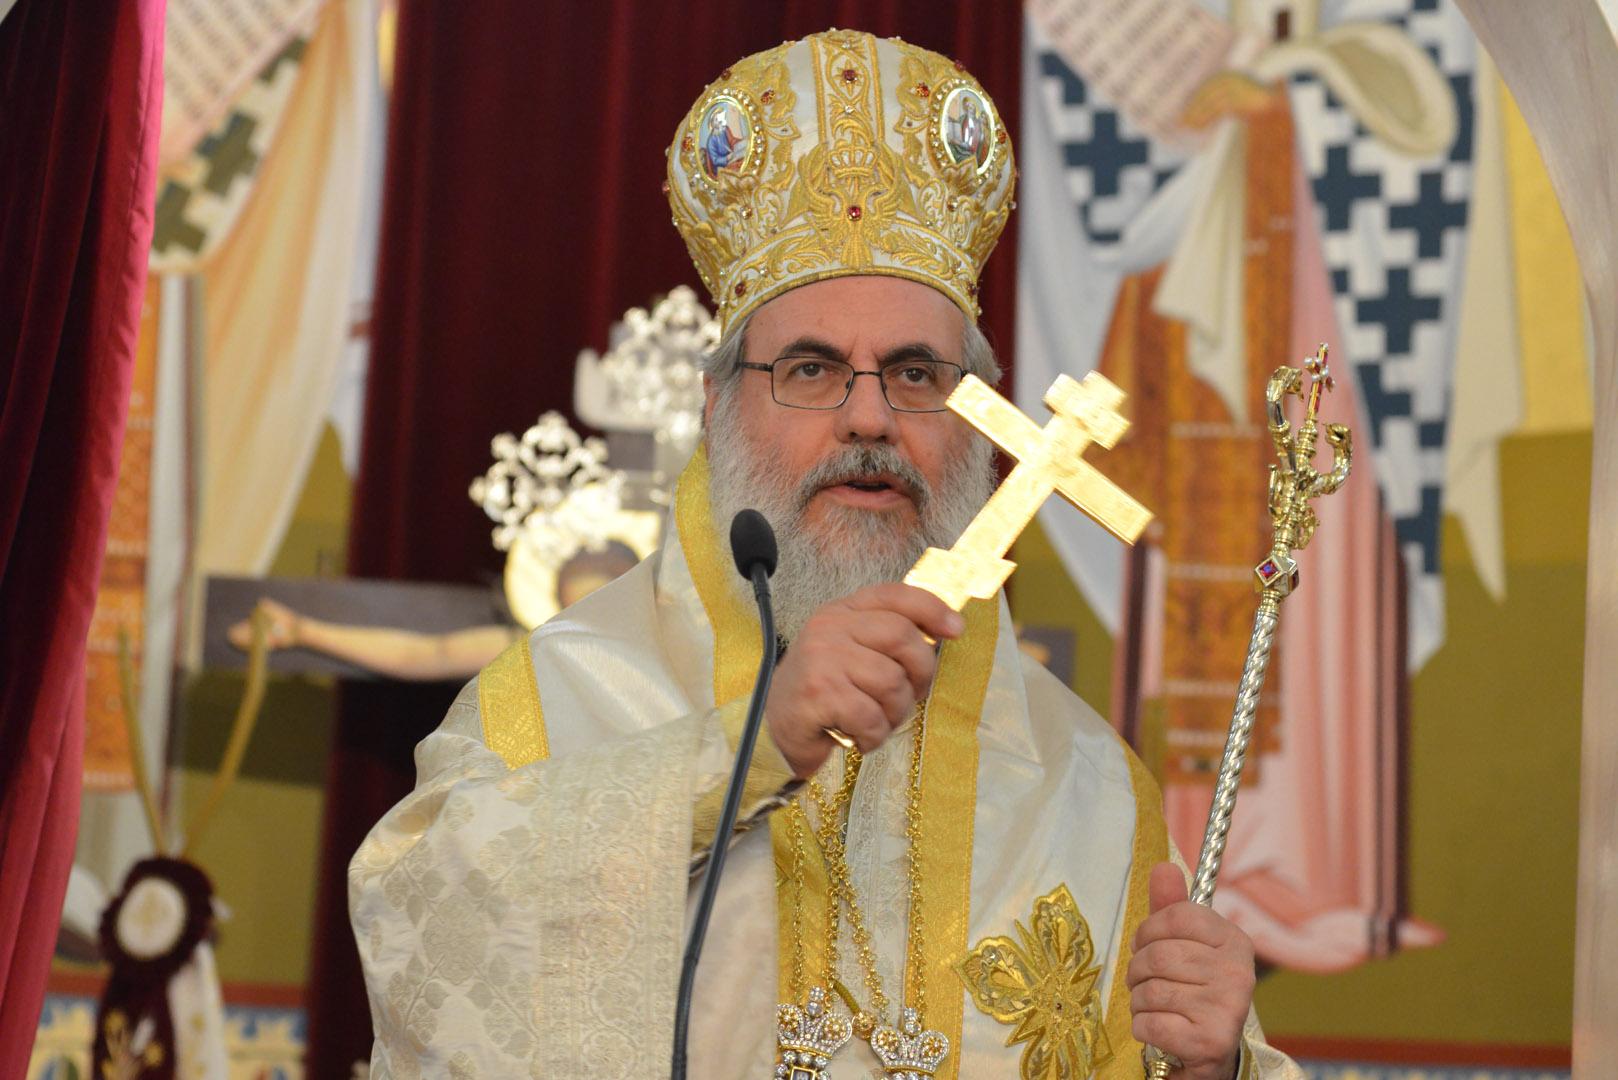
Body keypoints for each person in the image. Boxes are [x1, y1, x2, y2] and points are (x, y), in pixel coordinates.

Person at [350, 30, 1302, 1080]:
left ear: (977, 420)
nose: (868, 417)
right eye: (809, 369)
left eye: (916, 373)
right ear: (717, 404)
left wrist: (1213, 1069)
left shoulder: (1091, 790)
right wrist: (747, 747)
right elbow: (418, 931)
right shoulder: (554, 702)